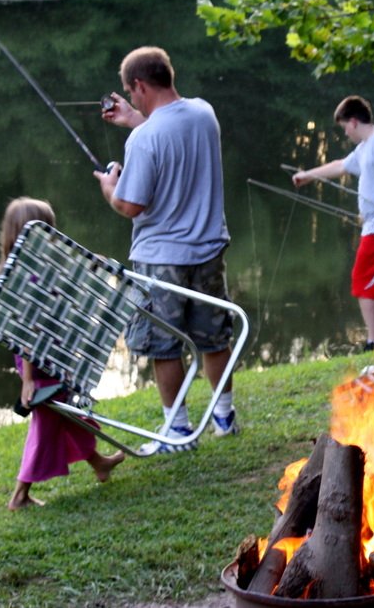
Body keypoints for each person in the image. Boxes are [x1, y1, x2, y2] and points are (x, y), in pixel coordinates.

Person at [94, 46, 238, 453]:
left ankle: (176, 431)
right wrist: (134, 120)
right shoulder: (204, 114)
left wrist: (110, 188)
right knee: (213, 336)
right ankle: (224, 416)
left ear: (139, 85)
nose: (131, 97)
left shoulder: (145, 139)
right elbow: (169, 131)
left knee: (164, 344)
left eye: (130, 91)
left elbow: (131, 205)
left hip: (162, 260)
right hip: (209, 251)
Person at [0, 197, 125, 510]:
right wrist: (28, 378)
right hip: (37, 361)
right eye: (48, 230)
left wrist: (93, 261)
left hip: (52, 356)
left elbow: (74, 272)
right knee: (46, 425)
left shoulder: (38, 265)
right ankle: (19, 495)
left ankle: (99, 464)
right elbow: (26, 331)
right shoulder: (28, 278)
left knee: (67, 416)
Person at [292, 95, 374, 351]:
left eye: (343, 128)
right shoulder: (365, 148)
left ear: (353, 122)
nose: (345, 134)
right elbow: (342, 165)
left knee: (364, 281)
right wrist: (308, 176)